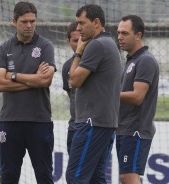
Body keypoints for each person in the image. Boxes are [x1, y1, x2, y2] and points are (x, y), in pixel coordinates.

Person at [0, 1, 56, 183]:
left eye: (32, 21)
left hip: (39, 121)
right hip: (10, 121)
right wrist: (33, 80)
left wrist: (12, 76)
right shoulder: (4, 48)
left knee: (44, 176)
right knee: (9, 176)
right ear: (14, 21)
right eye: (24, 22)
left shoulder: (45, 46)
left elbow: (46, 80)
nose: (29, 26)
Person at [66, 4, 121, 184]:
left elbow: (74, 81)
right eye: (77, 23)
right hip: (103, 124)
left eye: (82, 23)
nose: (78, 28)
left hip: (92, 123)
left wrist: (78, 52)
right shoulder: (108, 43)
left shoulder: (96, 45)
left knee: (75, 177)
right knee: (96, 178)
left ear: (96, 22)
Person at [116, 15, 159, 184]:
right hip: (124, 129)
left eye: (125, 33)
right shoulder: (130, 61)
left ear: (138, 35)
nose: (119, 37)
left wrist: (109, 96)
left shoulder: (145, 60)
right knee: (126, 177)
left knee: (129, 177)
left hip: (136, 129)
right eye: (118, 32)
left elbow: (137, 97)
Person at [61, 22, 80, 154]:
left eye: (82, 40)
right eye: (75, 41)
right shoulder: (67, 66)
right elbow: (71, 95)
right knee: (73, 172)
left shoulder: (95, 61)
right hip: (74, 126)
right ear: (68, 41)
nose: (79, 44)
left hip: (93, 127)